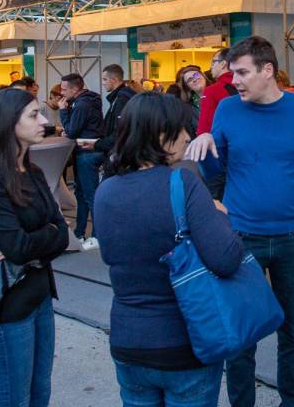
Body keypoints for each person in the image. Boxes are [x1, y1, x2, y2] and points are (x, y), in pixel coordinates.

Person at [185, 36, 294, 407]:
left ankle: (293, 403)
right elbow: (216, 169)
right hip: (241, 237)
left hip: (292, 239)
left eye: (241, 72)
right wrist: (206, 148)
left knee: (293, 331)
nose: (234, 80)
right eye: (232, 72)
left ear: (268, 71)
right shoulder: (228, 109)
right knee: (241, 336)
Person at [96, 92, 244, 407]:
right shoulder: (183, 183)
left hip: (128, 340)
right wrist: (219, 215)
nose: (189, 136)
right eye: (182, 129)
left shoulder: (105, 191)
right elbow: (227, 258)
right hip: (184, 342)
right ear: (161, 135)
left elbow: (111, 255)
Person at [0, 87, 69, 407]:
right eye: (34, 115)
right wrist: (45, 235)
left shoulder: (33, 171)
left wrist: (36, 240)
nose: (44, 121)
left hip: (39, 294)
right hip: (6, 305)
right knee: (15, 398)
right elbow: (19, 247)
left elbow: (63, 234)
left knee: (40, 390)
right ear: (9, 122)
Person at [58, 73, 105, 250]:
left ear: (75, 89)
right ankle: (80, 232)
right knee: (83, 194)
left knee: (89, 195)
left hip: (86, 153)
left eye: (64, 89)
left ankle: (96, 235)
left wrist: (63, 112)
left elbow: (72, 131)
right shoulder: (90, 101)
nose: (62, 93)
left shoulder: (82, 104)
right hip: (89, 152)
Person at [92, 65, 135, 155]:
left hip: (121, 153)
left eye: (105, 79)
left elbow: (120, 132)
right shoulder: (119, 97)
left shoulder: (122, 99)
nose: (103, 83)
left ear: (114, 80)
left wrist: (97, 144)